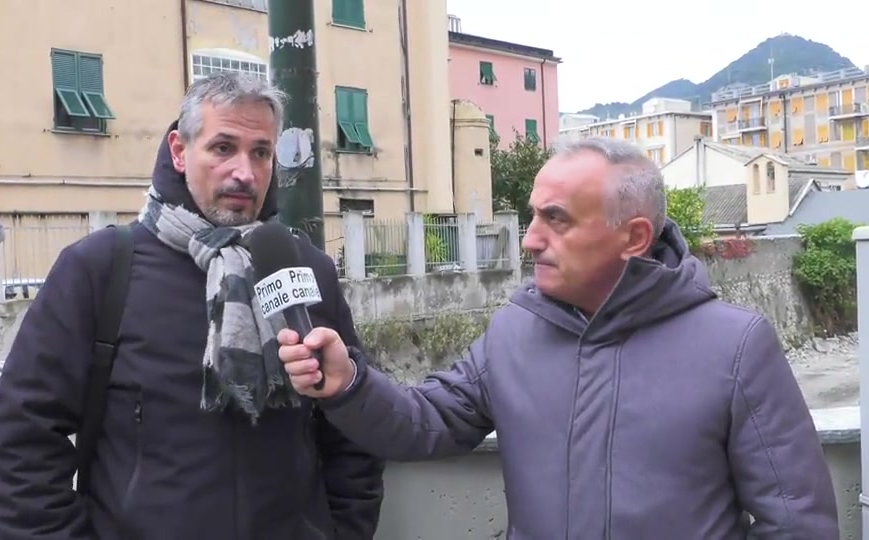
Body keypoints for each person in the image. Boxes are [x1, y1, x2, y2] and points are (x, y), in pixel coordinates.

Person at [277, 137, 839, 538]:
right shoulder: (514, 331)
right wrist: (347, 382)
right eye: (532, 216)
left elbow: (797, 522)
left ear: (633, 237)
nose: (529, 239)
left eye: (557, 219)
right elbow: (426, 424)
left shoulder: (737, 347)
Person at [0, 72, 385, 539]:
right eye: (222, 148)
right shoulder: (101, 269)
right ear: (179, 150)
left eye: (261, 152)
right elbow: (20, 440)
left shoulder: (306, 270)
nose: (244, 173)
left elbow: (353, 423)